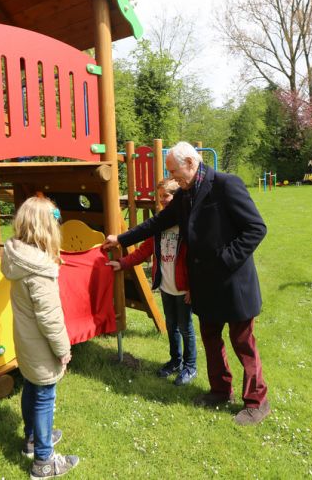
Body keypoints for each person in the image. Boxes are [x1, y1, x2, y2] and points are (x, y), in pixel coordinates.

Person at [103, 142, 270, 426]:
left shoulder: (227, 185)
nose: (172, 177)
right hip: (204, 284)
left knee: (243, 342)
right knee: (211, 339)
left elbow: (256, 228)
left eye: (174, 171)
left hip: (233, 283)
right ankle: (220, 391)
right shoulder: (183, 195)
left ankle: (257, 402)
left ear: (191, 163)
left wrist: (225, 260)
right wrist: (121, 239)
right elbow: (156, 223)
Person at [1, 196, 79, 479]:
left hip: (25, 341)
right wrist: (63, 350)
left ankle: (32, 439)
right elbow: (50, 318)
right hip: (41, 344)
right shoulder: (39, 268)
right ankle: (44, 462)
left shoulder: (16, 254)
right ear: (46, 227)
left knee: (31, 387)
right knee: (45, 395)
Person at [107, 178, 197, 386]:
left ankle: (190, 366)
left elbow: (195, 261)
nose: (162, 201)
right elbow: (143, 251)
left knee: (185, 327)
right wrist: (122, 263)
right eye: (160, 197)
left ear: (178, 197)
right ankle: (175, 361)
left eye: (166, 196)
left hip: (183, 288)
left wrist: (192, 287)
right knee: (171, 325)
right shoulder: (159, 226)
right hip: (166, 286)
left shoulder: (186, 226)